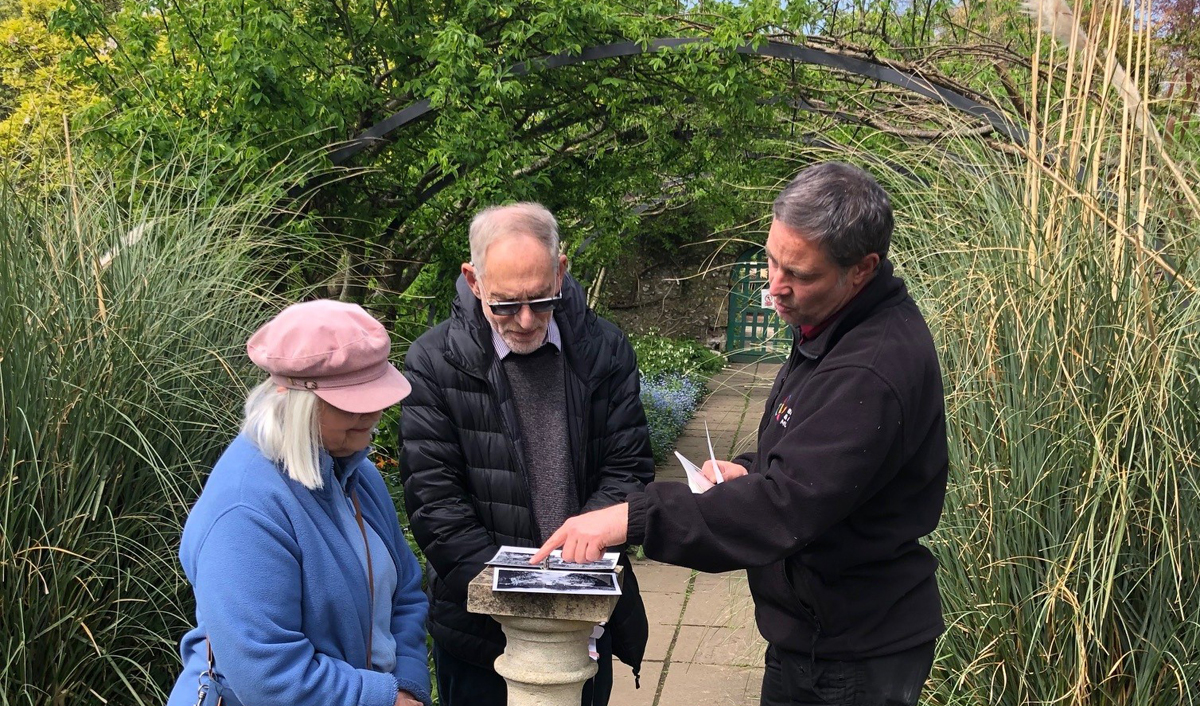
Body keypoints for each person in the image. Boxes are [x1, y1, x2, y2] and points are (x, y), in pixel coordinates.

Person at [534, 162, 948, 706]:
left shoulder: (869, 369)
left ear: (862, 269)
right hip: (817, 635)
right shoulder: (830, 327)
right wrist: (751, 469)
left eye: (799, 275)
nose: (776, 287)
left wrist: (633, 516)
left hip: (852, 656)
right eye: (772, 260)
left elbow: (781, 510)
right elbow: (813, 457)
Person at [399, 202, 654, 706]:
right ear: (473, 281)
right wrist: (523, 600)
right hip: (480, 632)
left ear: (561, 270)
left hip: (583, 620)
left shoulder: (604, 347)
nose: (525, 319)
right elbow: (435, 505)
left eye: (542, 299)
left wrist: (574, 577)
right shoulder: (433, 362)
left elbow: (627, 468)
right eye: (505, 304)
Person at [167, 299, 432, 706]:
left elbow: (407, 595)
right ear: (296, 400)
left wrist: (409, 684)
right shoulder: (245, 508)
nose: (375, 412)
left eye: (376, 393)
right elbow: (268, 673)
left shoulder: (360, 475)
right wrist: (384, 699)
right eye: (353, 402)